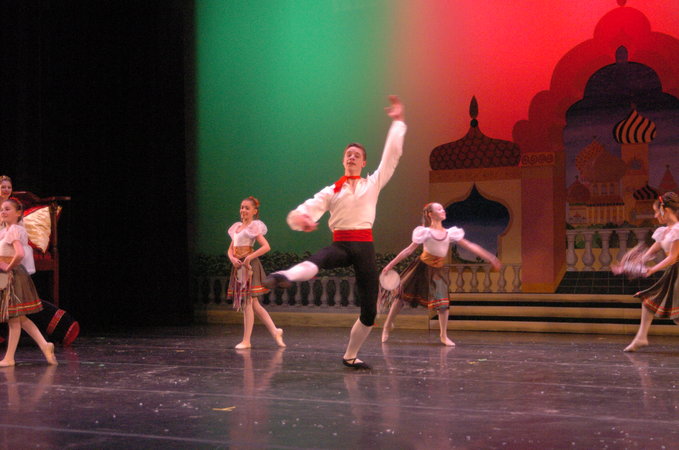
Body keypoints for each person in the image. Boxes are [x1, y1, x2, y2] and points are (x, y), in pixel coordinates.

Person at [263, 96, 407, 370]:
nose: (352, 157)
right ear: (343, 160)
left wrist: (398, 123)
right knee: (317, 259)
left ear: (363, 162)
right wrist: (302, 219)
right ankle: (283, 276)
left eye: (357, 155)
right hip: (340, 245)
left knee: (369, 311)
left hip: (364, 247)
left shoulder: (372, 184)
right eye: (348, 154)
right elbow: (307, 208)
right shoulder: (332, 190)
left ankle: (350, 355)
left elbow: (391, 157)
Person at [380, 202, 501, 346]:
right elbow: (408, 250)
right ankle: (387, 325)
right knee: (401, 297)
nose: (443, 210)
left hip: (438, 270)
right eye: (439, 209)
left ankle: (443, 335)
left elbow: (470, 245)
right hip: (421, 267)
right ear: (430, 214)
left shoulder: (450, 233)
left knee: (443, 303)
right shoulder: (425, 232)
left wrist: (490, 257)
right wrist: (390, 265)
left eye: (442, 208)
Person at [0, 198, 57, 366]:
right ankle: (45, 345)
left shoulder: (14, 230)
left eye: (8, 209)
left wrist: (7, 267)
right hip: (9, 274)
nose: (3, 212)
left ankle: (9, 357)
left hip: (12, 276)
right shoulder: (7, 230)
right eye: (2, 209)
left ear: (18, 213)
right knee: (20, 317)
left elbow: (19, 254)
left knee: (14, 318)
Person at [620, 192, 679, 352]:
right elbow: (651, 252)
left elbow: (673, 257)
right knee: (649, 301)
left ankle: (641, 338)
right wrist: (635, 262)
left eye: (656, 211)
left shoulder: (677, 230)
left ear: (665, 210)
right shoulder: (665, 231)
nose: (655, 215)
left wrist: (652, 269)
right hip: (673, 273)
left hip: (677, 272)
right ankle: (641, 338)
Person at [227, 197, 285, 349]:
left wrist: (249, 258)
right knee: (254, 304)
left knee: (248, 302)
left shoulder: (253, 227)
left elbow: (266, 246)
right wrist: (232, 259)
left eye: (247, 208)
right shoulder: (237, 228)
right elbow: (231, 249)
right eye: (242, 207)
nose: (243, 210)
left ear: (254, 211)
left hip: (249, 267)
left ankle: (246, 340)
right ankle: (275, 331)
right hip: (239, 267)